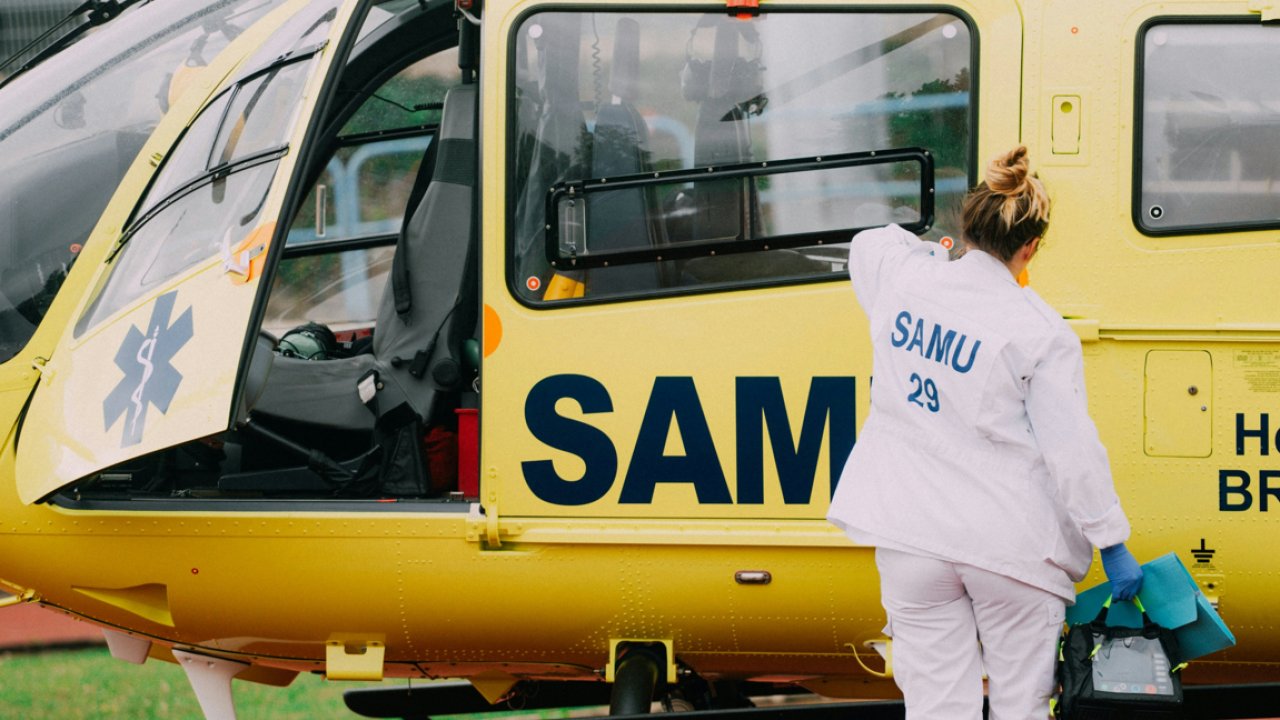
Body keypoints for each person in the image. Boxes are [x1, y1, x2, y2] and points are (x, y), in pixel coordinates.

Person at [826, 146, 1143, 719]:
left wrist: (936, 250)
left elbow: (871, 242)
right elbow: (1071, 451)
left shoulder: (904, 281)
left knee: (937, 707)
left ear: (966, 227)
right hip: (1010, 547)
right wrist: (1111, 541)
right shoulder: (1041, 331)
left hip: (912, 536)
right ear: (1031, 247)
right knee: (1020, 707)